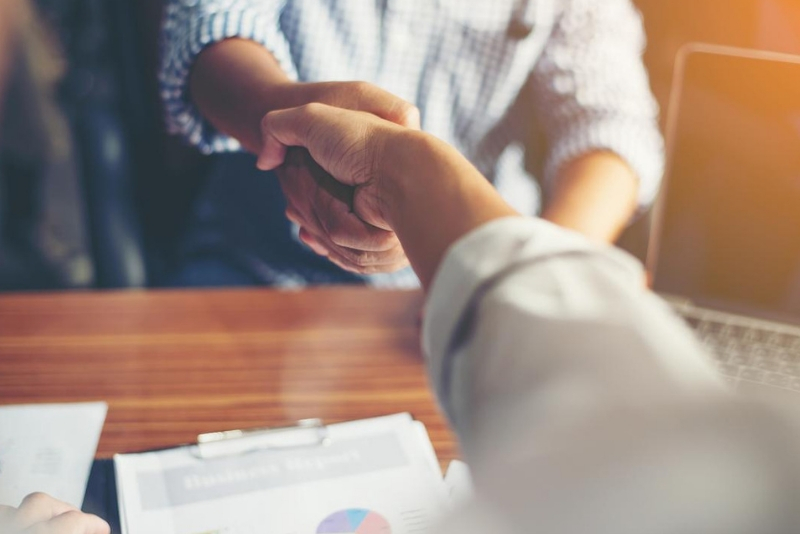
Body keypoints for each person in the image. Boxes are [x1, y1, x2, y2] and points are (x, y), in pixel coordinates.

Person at [10, 103, 800, 534]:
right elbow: (617, 418)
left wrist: (403, 172)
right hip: (260, 293)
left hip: (425, 311)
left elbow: (621, 434)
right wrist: (397, 167)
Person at [159, 0, 664, 287]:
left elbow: (611, 122)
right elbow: (211, 21)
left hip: (474, 278)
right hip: (256, 263)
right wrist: (280, 118)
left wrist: (534, 274)